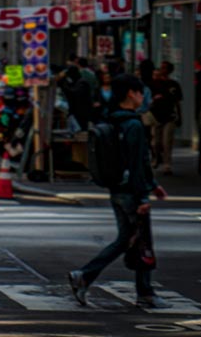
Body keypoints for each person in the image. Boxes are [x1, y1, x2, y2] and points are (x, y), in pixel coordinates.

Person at [68, 74, 168, 309]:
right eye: (140, 92)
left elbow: (135, 162)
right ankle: (143, 292)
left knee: (128, 239)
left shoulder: (113, 120)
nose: (142, 97)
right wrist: (144, 195)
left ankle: (87, 277)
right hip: (132, 192)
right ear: (130, 94)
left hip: (117, 189)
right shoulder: (133, 124)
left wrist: (152, 185)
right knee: (139, 240)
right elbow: (137, 162)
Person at [150, 61, 183, 175]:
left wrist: (179, 116)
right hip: (156, 116)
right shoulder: (154, 84)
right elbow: (147, 100)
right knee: (156, 142)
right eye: (161, 68)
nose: (162, 70)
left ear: (169, 70)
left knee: (167, 141)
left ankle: (167, 164)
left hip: (170, 116)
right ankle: (156, 157)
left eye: (165, 68)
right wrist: (153, 100)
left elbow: (178, 102)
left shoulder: (174, 85)